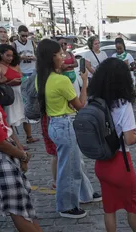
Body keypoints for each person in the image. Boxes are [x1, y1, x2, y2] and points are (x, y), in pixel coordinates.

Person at [0, 54, 73, 232]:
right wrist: (21, 156)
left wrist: (21, 151)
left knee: (24, 200)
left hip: (8, 150)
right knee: (17, 207)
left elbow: (5, 127)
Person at [89, 58, 136, 232]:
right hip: (121, 163)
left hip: (102, 163)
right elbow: (129, 138)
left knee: (109, 208)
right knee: (132, 206)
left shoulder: (93, 101)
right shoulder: (123, 104)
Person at [36, 39, 100, 219]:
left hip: (54, 123)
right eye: (60, 54)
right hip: (64, 124)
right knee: (69, 167)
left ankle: (85, 194)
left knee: (75, 162)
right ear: (52, 57)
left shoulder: (41, 78)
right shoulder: (61, 81)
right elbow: (80, 104)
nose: (63, 56)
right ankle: (66, 206)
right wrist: (85, 81)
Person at [12, 25, 40, 145]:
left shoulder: (32, 43)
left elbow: (38, 55)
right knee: (25, 100)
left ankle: (34, 117)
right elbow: (12, 58)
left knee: (34, 97)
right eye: (22, 35)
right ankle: (28, 122)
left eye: (26, 35)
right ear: (18, 34)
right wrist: (20, 57)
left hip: (32, 71)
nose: (24, 38)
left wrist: (34, 58)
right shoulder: (14, 44)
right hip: (22, 73)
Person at [0, 45, 27, 134]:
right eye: (8, 55)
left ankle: (29, 136)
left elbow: (22, 76)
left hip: (19, 92)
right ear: (1, 54)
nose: (10, 58)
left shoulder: (15, 65)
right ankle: (14, 140)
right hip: (8, 94)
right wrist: (10, 83)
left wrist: (22, 80)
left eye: (12, 56)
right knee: (9, 118)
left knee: (25, 115)